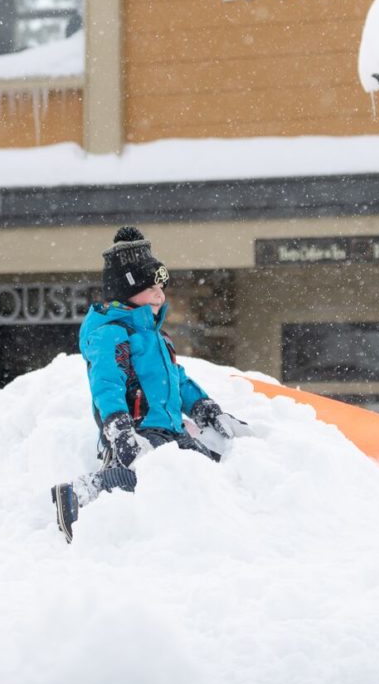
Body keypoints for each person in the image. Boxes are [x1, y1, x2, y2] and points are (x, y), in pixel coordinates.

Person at [50, 226, 245, 542]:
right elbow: (107, 384)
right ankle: (79, 495)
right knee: (139, 476)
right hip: (137, 428)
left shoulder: (157, 338)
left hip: (170, 428)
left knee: (203, 467)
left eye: (161, 287)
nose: (160, 294)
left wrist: (203, 407)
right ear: (125, 290)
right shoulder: (111, 334)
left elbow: (177, 381)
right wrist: (119, 428)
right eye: (151, 287)